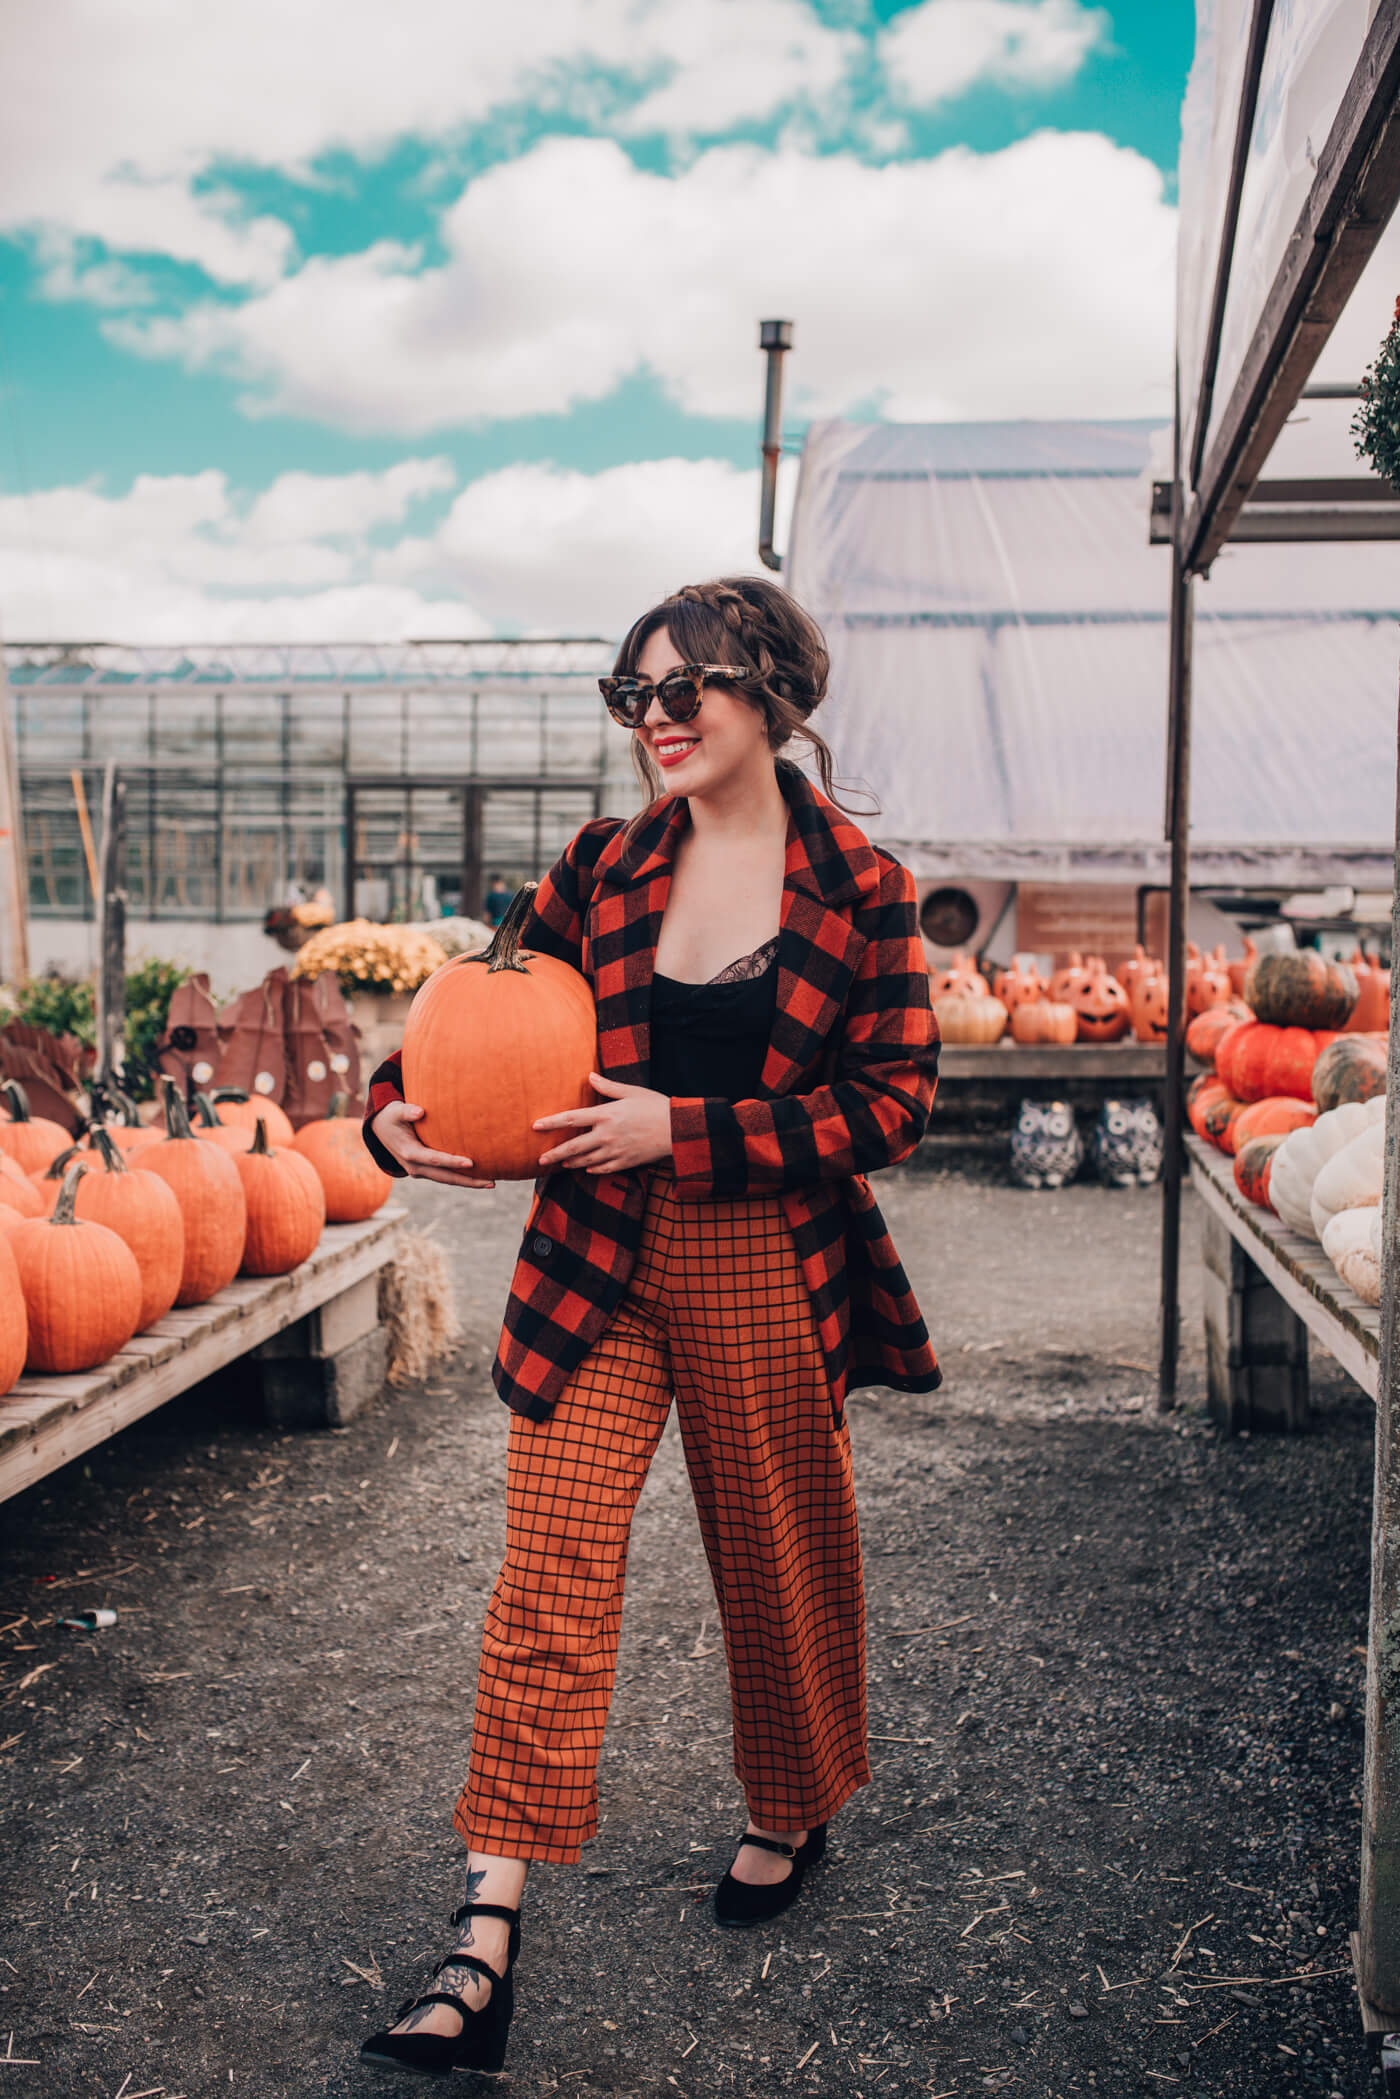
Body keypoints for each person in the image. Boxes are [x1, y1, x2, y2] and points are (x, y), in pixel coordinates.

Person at [357, 576, 942, 2080]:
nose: (658, 722)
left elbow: (892, 1106)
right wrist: (391, 1117)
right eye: (635, 698)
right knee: (546, 1567)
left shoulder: (861, 888)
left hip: (759, 1252)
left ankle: (792, 1800)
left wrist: (684, 1128)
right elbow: (475, 1012)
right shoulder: (601, 866)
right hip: (595, 1263)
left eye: (688, 691)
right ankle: (485, 1933)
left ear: (774, 696)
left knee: (774, 1550)